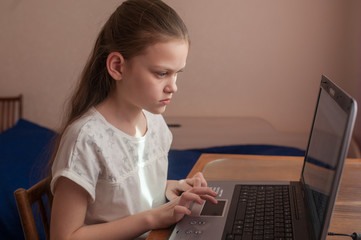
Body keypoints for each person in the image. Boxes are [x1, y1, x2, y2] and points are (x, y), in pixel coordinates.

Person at [49, 0, 218, 239]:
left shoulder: (154, 120)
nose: (173, 87)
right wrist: (152, 218)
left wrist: (176, 187)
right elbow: (64, 236)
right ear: (117, 66)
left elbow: (125, 190)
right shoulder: (86, 139)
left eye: (177, 73)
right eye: (162, 73)